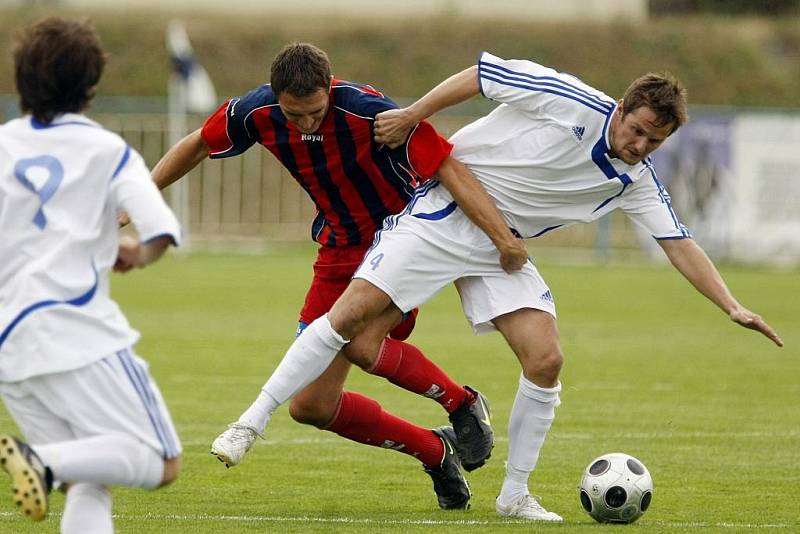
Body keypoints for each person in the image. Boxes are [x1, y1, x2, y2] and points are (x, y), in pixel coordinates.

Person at [221, 52, 784, 521]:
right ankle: (251, 422)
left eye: (653, 142)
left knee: (546, 360)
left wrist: (732, 305)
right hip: (447, 214)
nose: (639, 146)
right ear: (620, 109)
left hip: (502, 250)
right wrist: (414, 113)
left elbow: (679, 243)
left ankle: (515, 494)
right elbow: (480, 74)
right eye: (636, 130)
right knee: (349, 321)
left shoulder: (635, 181)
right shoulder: (568, 97)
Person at [154, 42, 528, 509]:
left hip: (399, 243)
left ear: (329, 90)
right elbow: (197, 143)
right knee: (309, 406)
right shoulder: (257, 112)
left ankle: (461, 402)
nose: (307, 124)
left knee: (359, 341)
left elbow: (446, 164)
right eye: (296, 116)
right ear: (277, 99)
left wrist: (503, 240)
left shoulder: (369, 112)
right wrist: (143, 197)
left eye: (315, 112)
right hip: (337, 249)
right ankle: (436, 452)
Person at [0, 17, 183, 532]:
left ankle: (47, 461)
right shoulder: (108, 151)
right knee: (160, 461)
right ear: (92, 86)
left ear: (21, 81)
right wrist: (136, 254)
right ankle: (39, 459)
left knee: (90, 477)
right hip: (75, 333)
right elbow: (159, 230)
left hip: (10, 344)